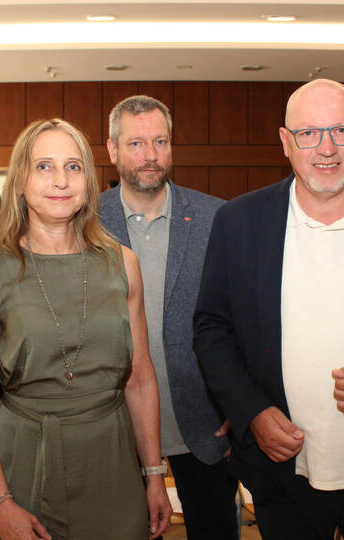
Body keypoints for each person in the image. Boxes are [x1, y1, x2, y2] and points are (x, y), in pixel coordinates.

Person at [194, 79, 344, 539]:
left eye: (341, 131)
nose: (326, 148)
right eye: (308, 133)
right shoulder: (239, 223)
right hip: (281, 474)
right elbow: (211, 329)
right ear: (286, 141)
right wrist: (252, 412)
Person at [0, 118, 172, 540]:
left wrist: (153, 474)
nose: (60, 180)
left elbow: (141, 380)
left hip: (111, 464)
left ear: (88, 181)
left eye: (73, 167)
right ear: (20, 180)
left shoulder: (122, 264)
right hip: (19, 465)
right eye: (44, 166)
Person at [99, 95, 238, 540]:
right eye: (136, 143)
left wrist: (239, 405)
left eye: (160, 141)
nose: (151, 155)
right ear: (112, 149)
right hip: (116, 430)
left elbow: (244, 320)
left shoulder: (218, 217)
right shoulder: (85, 221)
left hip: (204, 426)